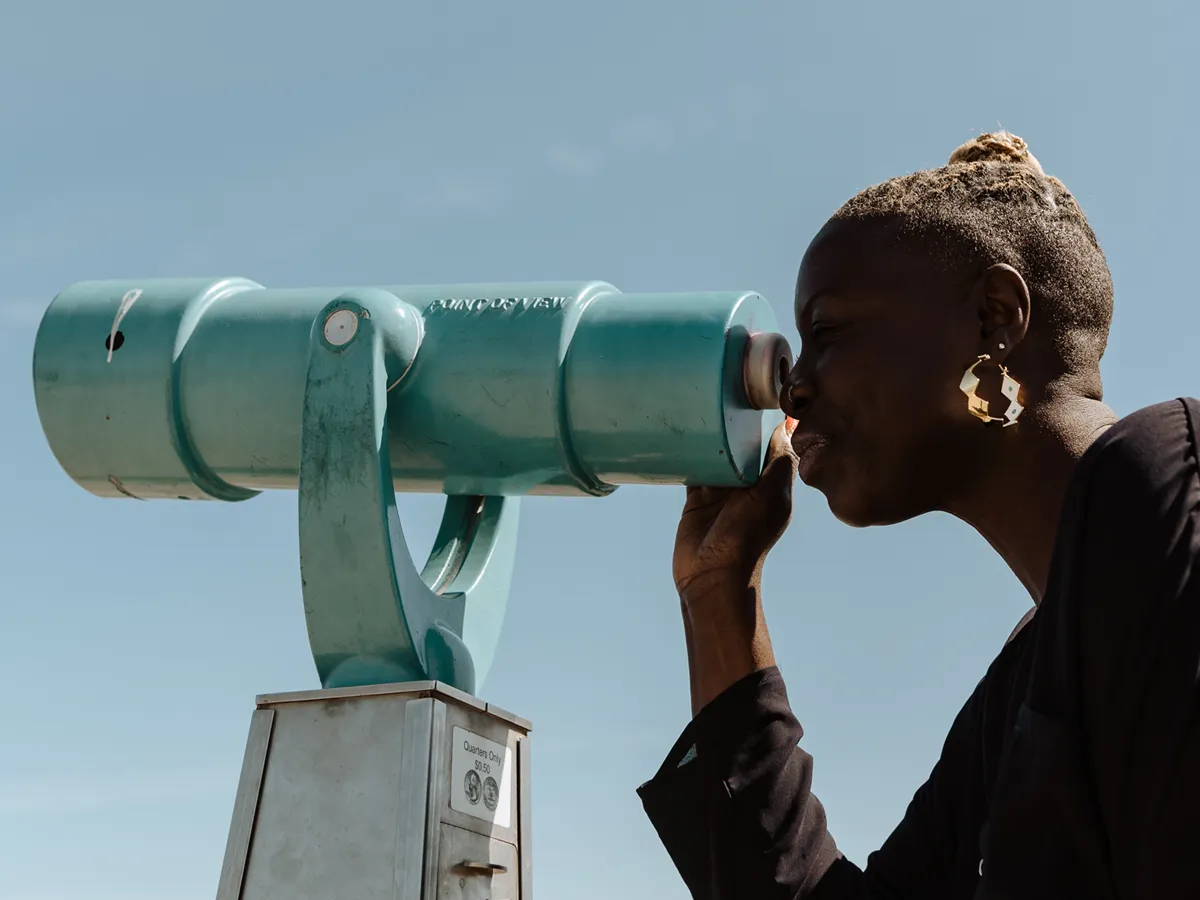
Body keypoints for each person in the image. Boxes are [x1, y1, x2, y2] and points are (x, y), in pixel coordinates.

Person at [637, 132, 1200, 899]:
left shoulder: (1169, 476)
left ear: (993, 318)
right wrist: (718, 596)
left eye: (826, 333)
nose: (793, 389)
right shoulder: (1029, 682)